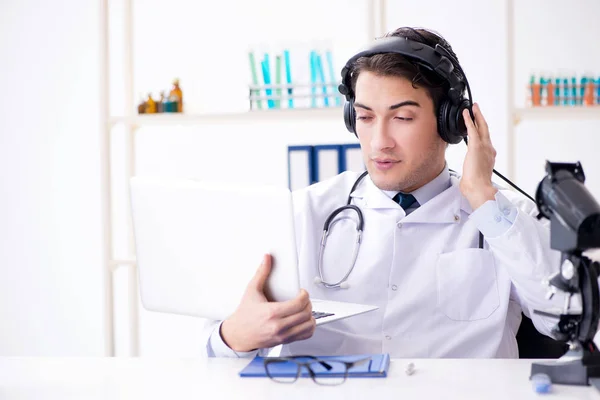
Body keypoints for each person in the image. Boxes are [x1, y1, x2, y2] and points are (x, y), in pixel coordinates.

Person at [201, 27, 562, 358]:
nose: (379, 142)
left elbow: (565, 316)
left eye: (402, 118)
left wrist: (483, 198)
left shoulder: (503, 218)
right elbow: (212, 354)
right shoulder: (304, 212)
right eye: (365, 117)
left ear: (451, 122)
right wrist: (235, 337)